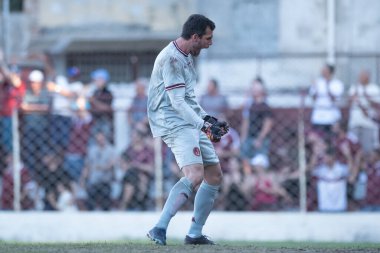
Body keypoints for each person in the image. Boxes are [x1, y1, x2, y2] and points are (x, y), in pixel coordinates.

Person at [146, 14, 229, 246]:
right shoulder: (172, 59)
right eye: (208, 38)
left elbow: (189, 99)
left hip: (187, 120)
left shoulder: (186, 57)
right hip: (172, 121)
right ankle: (159, 228)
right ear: (195, 37)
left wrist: (208, 119)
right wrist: (203, 125)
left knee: (213, 175)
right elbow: (177, 103)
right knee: (194, 174)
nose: (210, 43)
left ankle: (194, 234)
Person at [240, 78, 274, 175]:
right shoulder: (250, 106)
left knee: (259, 163)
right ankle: (249, 178)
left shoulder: (265, 107)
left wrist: (260, 139)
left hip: (260, 139)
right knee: (245, 161)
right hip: (249, 137)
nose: (253, 90)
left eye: (255, 89)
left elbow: (268, 124)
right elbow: (246, 122)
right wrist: (243, 137)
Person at [309, 64, 344, 142]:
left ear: (331, 72)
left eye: (325, 71)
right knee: (317, 139)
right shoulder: (318, 82)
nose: (323, 72)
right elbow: (313, 98)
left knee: (332, 140)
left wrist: (327, 86)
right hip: (318, 117)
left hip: (332, 117)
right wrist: (315, 87)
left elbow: (335, 99)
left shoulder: (337, 84)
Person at [348, 70, 380, 152]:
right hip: (354, 123)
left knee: (367, 149)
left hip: (368, 123)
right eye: (360, 76)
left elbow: (377, 106)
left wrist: (367, 97)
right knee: (353, 149)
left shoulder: (374, 88)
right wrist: (353, 97)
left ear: (368, 77)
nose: (360, 78)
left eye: (363, 76)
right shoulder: (354, 87)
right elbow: (348, 104)